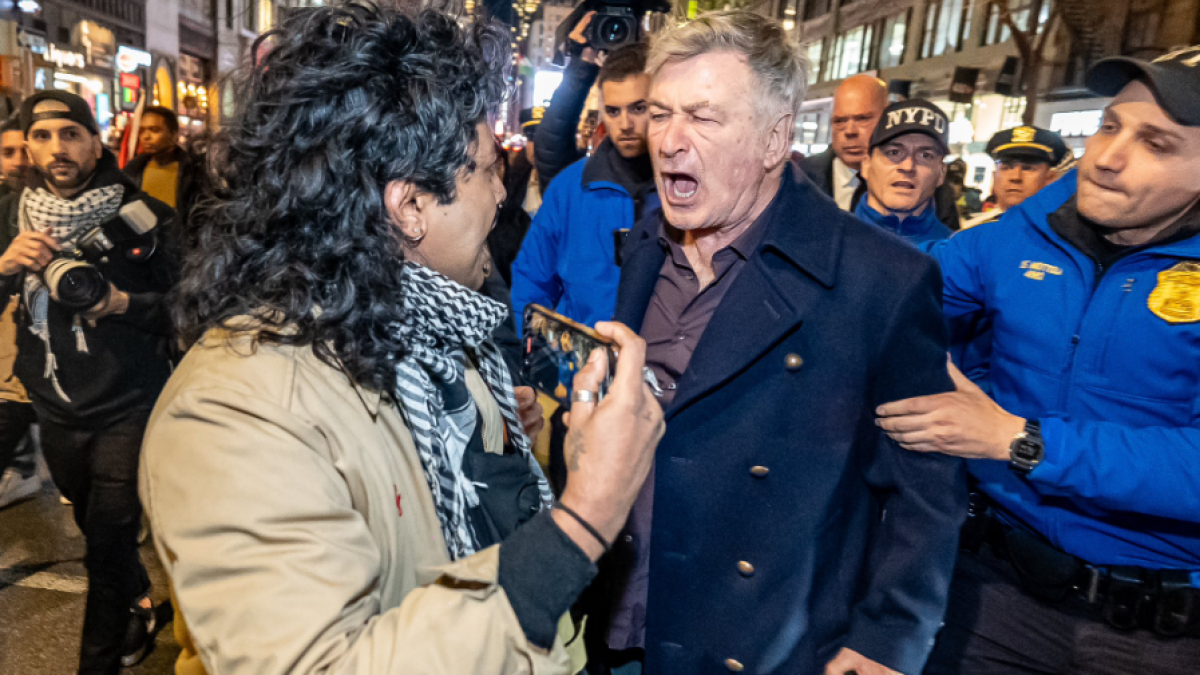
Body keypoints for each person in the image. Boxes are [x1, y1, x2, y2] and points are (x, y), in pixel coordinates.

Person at [139, 7, 664, 675]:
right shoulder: (234, 411)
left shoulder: (433, 334)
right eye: (484, 170)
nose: (502, 194)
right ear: (410, 205)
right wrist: (589, 513)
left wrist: (515, 451)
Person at [605, 11, 967, 675]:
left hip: (762, 639)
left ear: (775, 139)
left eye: (704, 117)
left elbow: (927, 492)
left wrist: (889, 638)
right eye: (661, 113)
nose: (669, 141)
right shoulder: (648, 239)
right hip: (628, 621)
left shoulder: (879, 278)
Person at [877, 48, 1200, 674]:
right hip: (996, 596)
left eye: (1156, 144)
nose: (1106, 157)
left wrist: (1021, 440)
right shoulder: (1025, 232)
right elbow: (887, 295)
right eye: (1110, 126)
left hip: (1158, 634)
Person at [0, 90, 177, 674]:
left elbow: (190, 309)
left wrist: (123, 301)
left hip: (129, 403)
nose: (58, 148)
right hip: (54, 406)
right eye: (44, 136)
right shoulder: (7, 214)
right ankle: (142, 601)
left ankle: (96, 665)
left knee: (105, 539)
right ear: (27, 145)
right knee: (97, 528)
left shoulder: (144, 214)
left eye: (71, 134)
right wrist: (4, 265)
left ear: (96, 141)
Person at [511, 41, 658, 333]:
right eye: (614, 111)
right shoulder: (569, 188)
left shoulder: (682, 188)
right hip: (579, 371)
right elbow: (531, 283)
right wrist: (543, 362)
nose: (625, 123)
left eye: (638, 108)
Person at [801, 75, 961, 228]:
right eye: (840, 121)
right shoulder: (799, 177)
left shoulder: (930, 188)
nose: (850, 131)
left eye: (862, 119)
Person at [0, 111, 39, 509]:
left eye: (25, 150)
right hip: (9, 355)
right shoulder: (3, 208)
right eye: (7, 152)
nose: (18, 161)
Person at [854, 99, 954, 246]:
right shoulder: (827, 243)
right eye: (894, 152)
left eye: (925, 155)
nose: (908, 167)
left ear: (941, 173)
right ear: (866, 165)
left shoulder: (956, 255)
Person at [961, 125, 1069, 228]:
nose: (1015, 177)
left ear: (1050, 179)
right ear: (994, 177)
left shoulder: (1063, 234)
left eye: (1028, 168)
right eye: (1006, 168)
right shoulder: (971, 233)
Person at [123, 105, 204, 225]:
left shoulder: (193, 170)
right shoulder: (133, 170)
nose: (146, 137)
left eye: (155, 130)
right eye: (142, 131)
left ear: (173, 134)